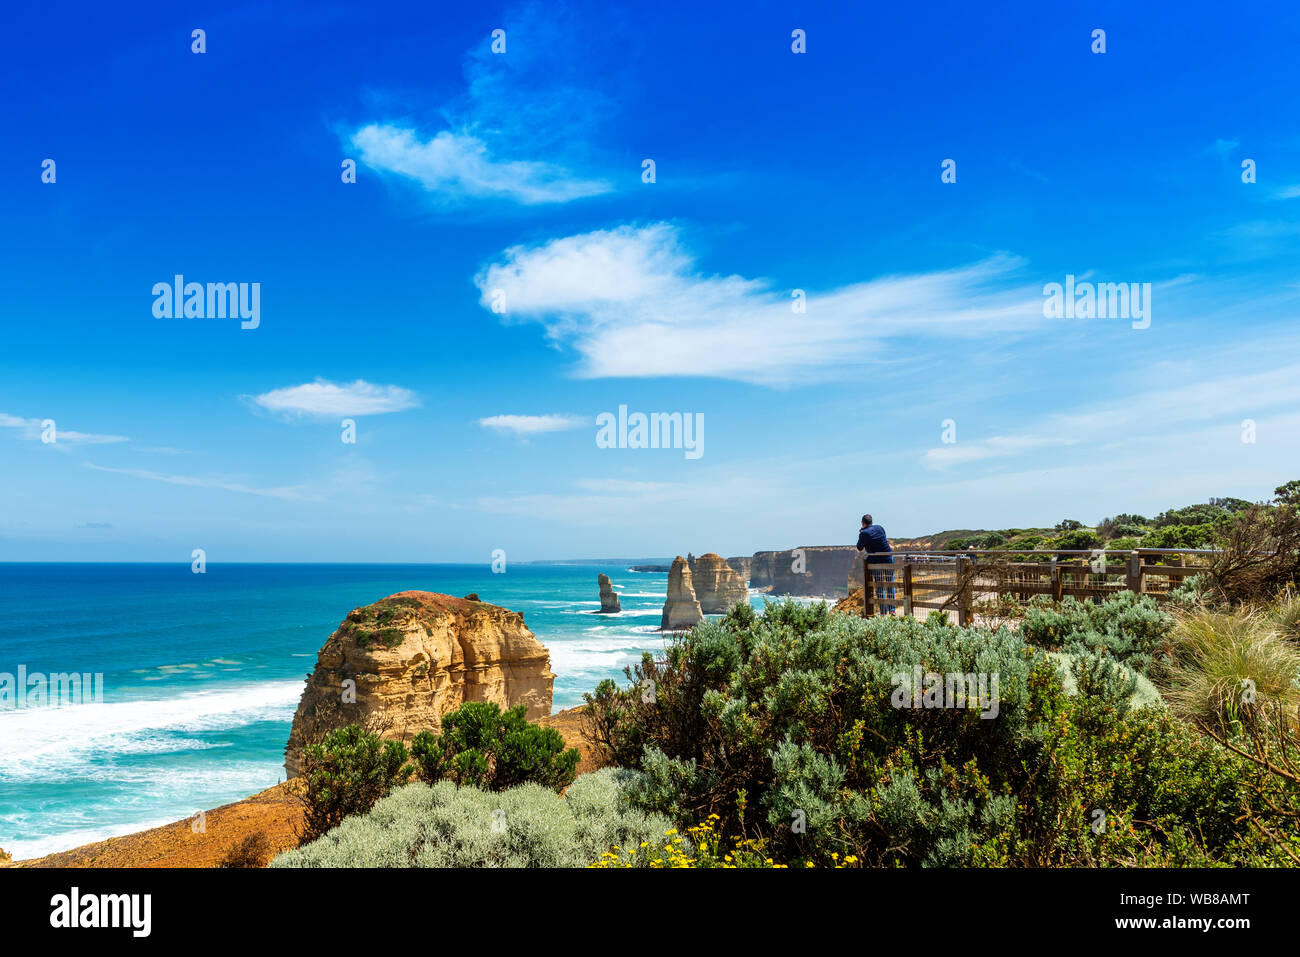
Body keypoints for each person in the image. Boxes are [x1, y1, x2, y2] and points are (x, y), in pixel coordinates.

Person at [856, 514, 896, 613]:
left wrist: (862, 532)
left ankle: (883, 611)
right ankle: (892, 610)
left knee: (879, 585)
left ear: (863, 523)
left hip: (876, 561)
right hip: (888, 557)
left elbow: (859, 547)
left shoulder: (863, 533)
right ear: (872, 522)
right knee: (890, 583)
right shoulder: (880, 527)